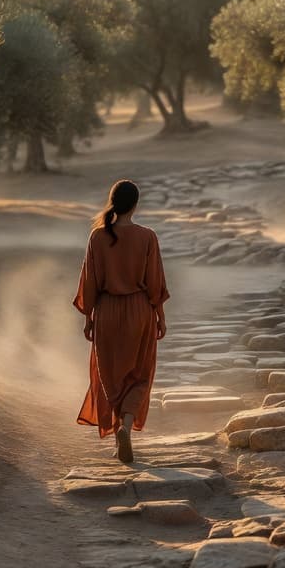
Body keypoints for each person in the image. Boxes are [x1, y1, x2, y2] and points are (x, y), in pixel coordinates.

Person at [73, 179, 169, 463]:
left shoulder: (97, 237)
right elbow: (155, 283)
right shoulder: (147, 236)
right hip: (139, 311)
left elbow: (89, 282)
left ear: (112, 201)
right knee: (139, 373)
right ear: (136, 204)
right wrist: (160, 317)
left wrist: (89, 318)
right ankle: (125, 427)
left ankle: (118, 431)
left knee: (110, 376)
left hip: (106, 311)